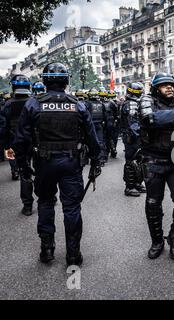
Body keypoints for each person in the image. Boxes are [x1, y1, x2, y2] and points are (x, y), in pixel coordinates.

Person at [11, 62, 101, 266]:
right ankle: (73, 254)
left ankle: (47, 249)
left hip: (44, 163)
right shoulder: (77, 104)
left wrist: (23, 166)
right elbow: (92, 138)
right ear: (66, 80)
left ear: (44, 80)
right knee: (71, 208)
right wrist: (96, 161)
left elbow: (21, 140)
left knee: (45, 203)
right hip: (71, 163)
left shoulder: (33, 104)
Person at [138, 72, 174, 261]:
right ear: (156, 88)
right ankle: (157, 242)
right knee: (153, 204)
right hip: (153, 161)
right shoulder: (147, 101)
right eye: (164, 85)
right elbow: (150, 120)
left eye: (171, 84)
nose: (169, 87)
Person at [1, 74, 34, 215]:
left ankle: (27, 206)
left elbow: (3, 128)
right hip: (35, 143)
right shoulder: (34, 102)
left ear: (13, 86)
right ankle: (48, 197)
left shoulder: (8, 104)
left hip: (16, 143)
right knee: (42, 171)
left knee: (24, 174)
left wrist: (5, 146)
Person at [121, 82, 146, 197]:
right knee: (131, 162)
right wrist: (141, 136)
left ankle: (136, 183)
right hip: (132, 137)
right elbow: (133, 124)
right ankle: (129, 187)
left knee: (139, 161)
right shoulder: (132, 104)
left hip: (133, 136)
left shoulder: (132, 103)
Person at [85, 89, 108, 165]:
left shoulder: (87, 104)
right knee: (100, 142)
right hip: (99, 125)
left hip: (90, 125)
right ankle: (101, 159)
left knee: (89, 142)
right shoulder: (101, 104)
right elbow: (105, 117)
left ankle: (89, 158)